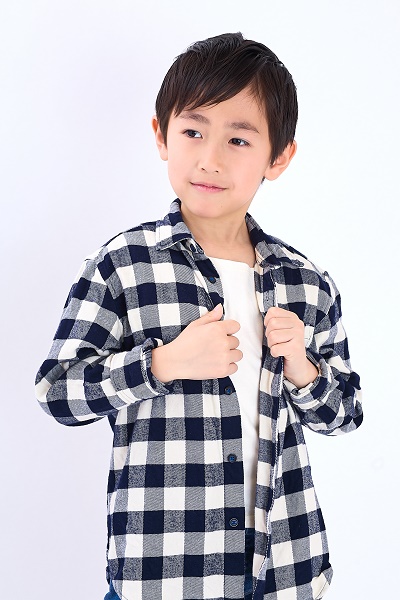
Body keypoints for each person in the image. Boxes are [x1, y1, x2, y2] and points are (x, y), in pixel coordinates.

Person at [35, 32, 363, 600]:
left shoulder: (306, 282)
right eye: (193, 132)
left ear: (279, 157)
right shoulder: (122, 266)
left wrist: (303, 368)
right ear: (161, 135)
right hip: (165, 571)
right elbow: (57, 392)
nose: (210, 159)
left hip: (285, 568)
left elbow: (346, 415)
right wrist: (161, 364)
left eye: (238, 139)